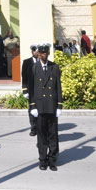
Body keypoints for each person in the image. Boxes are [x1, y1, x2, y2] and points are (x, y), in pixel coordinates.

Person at [29, 43, 62, 171]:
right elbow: (31, 88)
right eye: (42, 53)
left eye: (46, 53)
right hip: (40, 106)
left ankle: (52, 160)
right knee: (41, 135)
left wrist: (59, 105)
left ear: (48, 53)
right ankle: (42, 160)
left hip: (51, 105)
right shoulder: (34, 67)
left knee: (53, 134)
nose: (44, 55)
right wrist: (33, 106)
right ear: (38, 54)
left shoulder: (54, 67)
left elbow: (58, 87)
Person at [21, 44, 39, 136]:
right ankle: (33, 128)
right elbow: (24, 77)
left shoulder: (43, 61)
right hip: (31, 91)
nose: (37, 53)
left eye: (38, 51)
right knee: (32, 109)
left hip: (41, 91)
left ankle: (40, 128)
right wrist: (25, 90)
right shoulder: (26, 62)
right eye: (35, 51)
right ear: (32, 52)